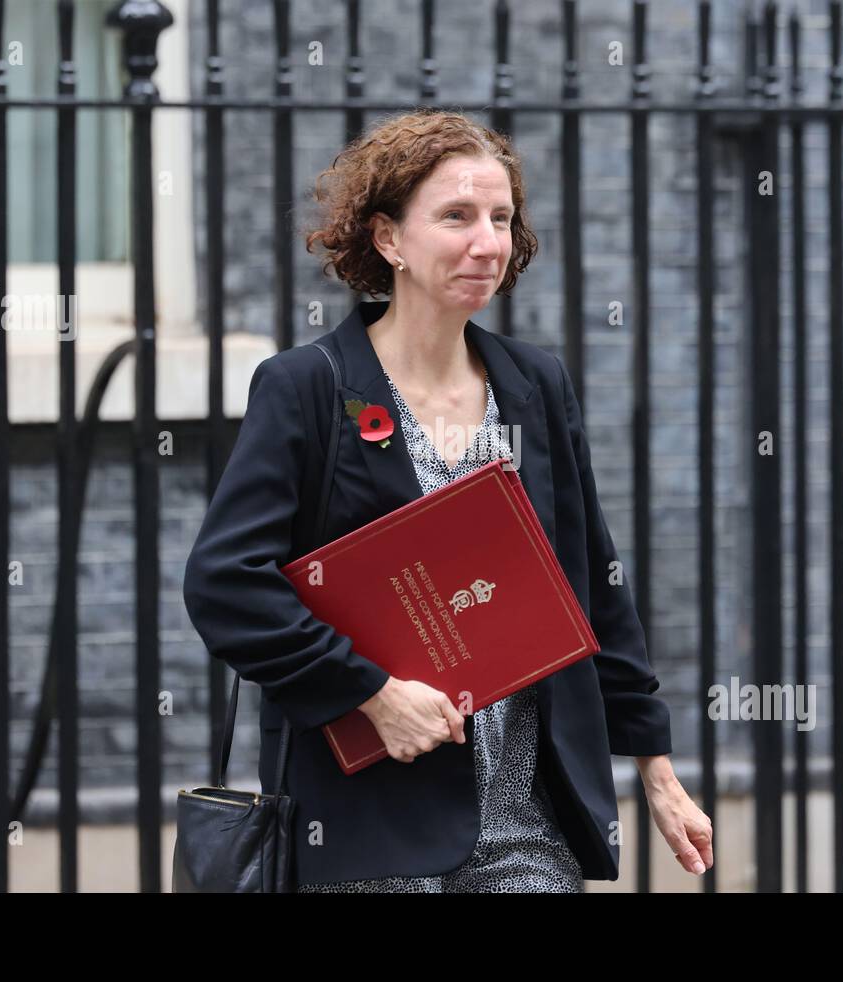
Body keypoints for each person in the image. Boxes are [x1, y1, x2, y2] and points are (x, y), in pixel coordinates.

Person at [182, 109, 713, 892]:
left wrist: (657, 771)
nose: (487, 241)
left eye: (500, 218)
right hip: (369, 832)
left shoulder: (534, 384)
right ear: (388, 239)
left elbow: (592, 583)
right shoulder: (308, 388)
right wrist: (371, 693)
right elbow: (226, 583)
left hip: (530, 829)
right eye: (456, 216)